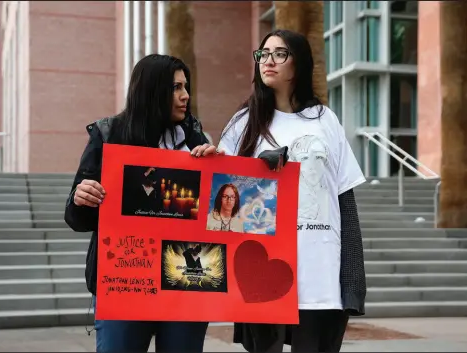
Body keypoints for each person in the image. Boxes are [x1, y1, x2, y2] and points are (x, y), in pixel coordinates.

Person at [192, 29, 367, 353]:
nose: (268, 61)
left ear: (298, 64)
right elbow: (223, 204)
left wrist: (354, 281)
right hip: (261, 266)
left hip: (320, 268)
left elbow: (345, 201)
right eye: (263, 54)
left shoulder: (325, 119)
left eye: (279, 53)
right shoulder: (244, 122)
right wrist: (257, 168)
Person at [64, 54, 210, 353]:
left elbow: (217, 215)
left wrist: (216, 172)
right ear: (151, 90)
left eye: (186, 86)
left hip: (186, 280)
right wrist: (83, 197)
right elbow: (76, 218)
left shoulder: (197, 138)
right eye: (175, 87)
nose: (186, 96)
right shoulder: (109, 135)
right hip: (126, 280)